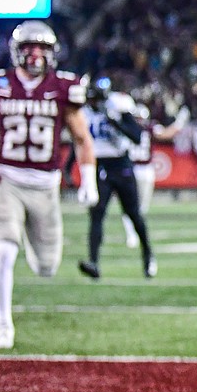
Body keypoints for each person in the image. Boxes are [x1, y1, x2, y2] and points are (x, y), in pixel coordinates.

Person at [0, 21, 98, 349]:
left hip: (45, 186)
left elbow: (82, 137)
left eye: (42, 48)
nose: (35, 54)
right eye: (28, 47)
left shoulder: (63, 87)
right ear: (16, 52)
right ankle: (4, 325)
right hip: (6, 180)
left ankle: (24, 229)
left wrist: (89, 179)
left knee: (46, 267)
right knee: (5, 251)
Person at [78, 77, 156, 279]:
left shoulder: (119, 107)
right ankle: (93, 262)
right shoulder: (84, 113)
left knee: (134, 214)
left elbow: (137, 136)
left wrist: (116, 122)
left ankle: (148, 255)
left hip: (121, 165)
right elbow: (80, 140)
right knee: (97, 214)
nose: (93, 103)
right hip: (100, 166)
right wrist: (71, 165)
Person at [121, 104, 189, 248]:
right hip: (137, 169)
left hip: (138, 169)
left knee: (138, 206)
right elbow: (167, 133)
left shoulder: (130, 127)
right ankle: (132, 235)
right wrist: (180, 122)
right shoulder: (147, 128)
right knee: (135, 206)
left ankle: (133, 234)